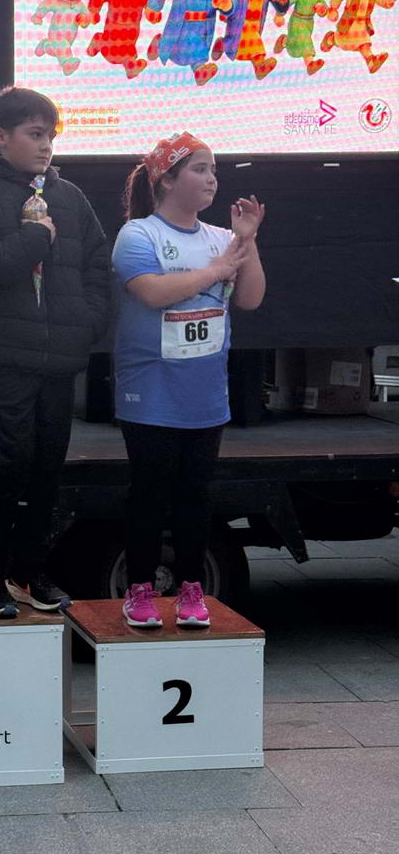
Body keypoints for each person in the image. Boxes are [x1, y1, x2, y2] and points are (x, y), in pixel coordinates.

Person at [0, 86, 111, 617]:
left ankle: (28, 572)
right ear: (1, 137)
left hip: (59, 360)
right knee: (9, 465)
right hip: (6, 359)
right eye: (35, 134)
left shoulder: (70, 196)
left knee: (47, 469)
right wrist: (34, 240)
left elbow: (98, 265)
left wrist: (85, 324)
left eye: (50, 136)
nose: (45, 146)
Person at [112, 132, 266, 629]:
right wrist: (215, 270)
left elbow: (250, 299)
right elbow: (151, 292)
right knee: (149, 492)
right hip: (151, 391)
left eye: (213, 169)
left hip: (205, 394)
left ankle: (191, 590)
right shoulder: (139, 234)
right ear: (166, 179)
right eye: (200, 168)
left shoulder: (222, 238)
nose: (211, 178)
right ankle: (139, 589)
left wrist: (246, 240)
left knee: (196, 495)